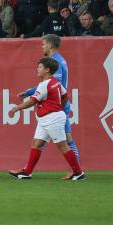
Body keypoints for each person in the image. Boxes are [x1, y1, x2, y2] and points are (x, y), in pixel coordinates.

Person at [8, 57, 84, 180]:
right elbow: (65, 96)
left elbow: (32, 101)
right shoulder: (55, 82)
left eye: (40, 67)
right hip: (46, 119)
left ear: (47, 70)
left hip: (52, 119)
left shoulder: (44, 85)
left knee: (63, 146)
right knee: (36, 144)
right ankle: (27, 172)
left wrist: (17, 108)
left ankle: (78, 173)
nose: (37, 69)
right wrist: (58, 106)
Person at [17, 34, 82, 171]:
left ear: (50, 45)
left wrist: (29, 93)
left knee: (67, 140)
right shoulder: (58, 61)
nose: (42, 46)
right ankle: (27, 171)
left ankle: (77, 171)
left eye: (43, 44)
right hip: (57, 104)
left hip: (55, 106)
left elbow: (52, 85)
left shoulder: (54, 62)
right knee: (40, 141)